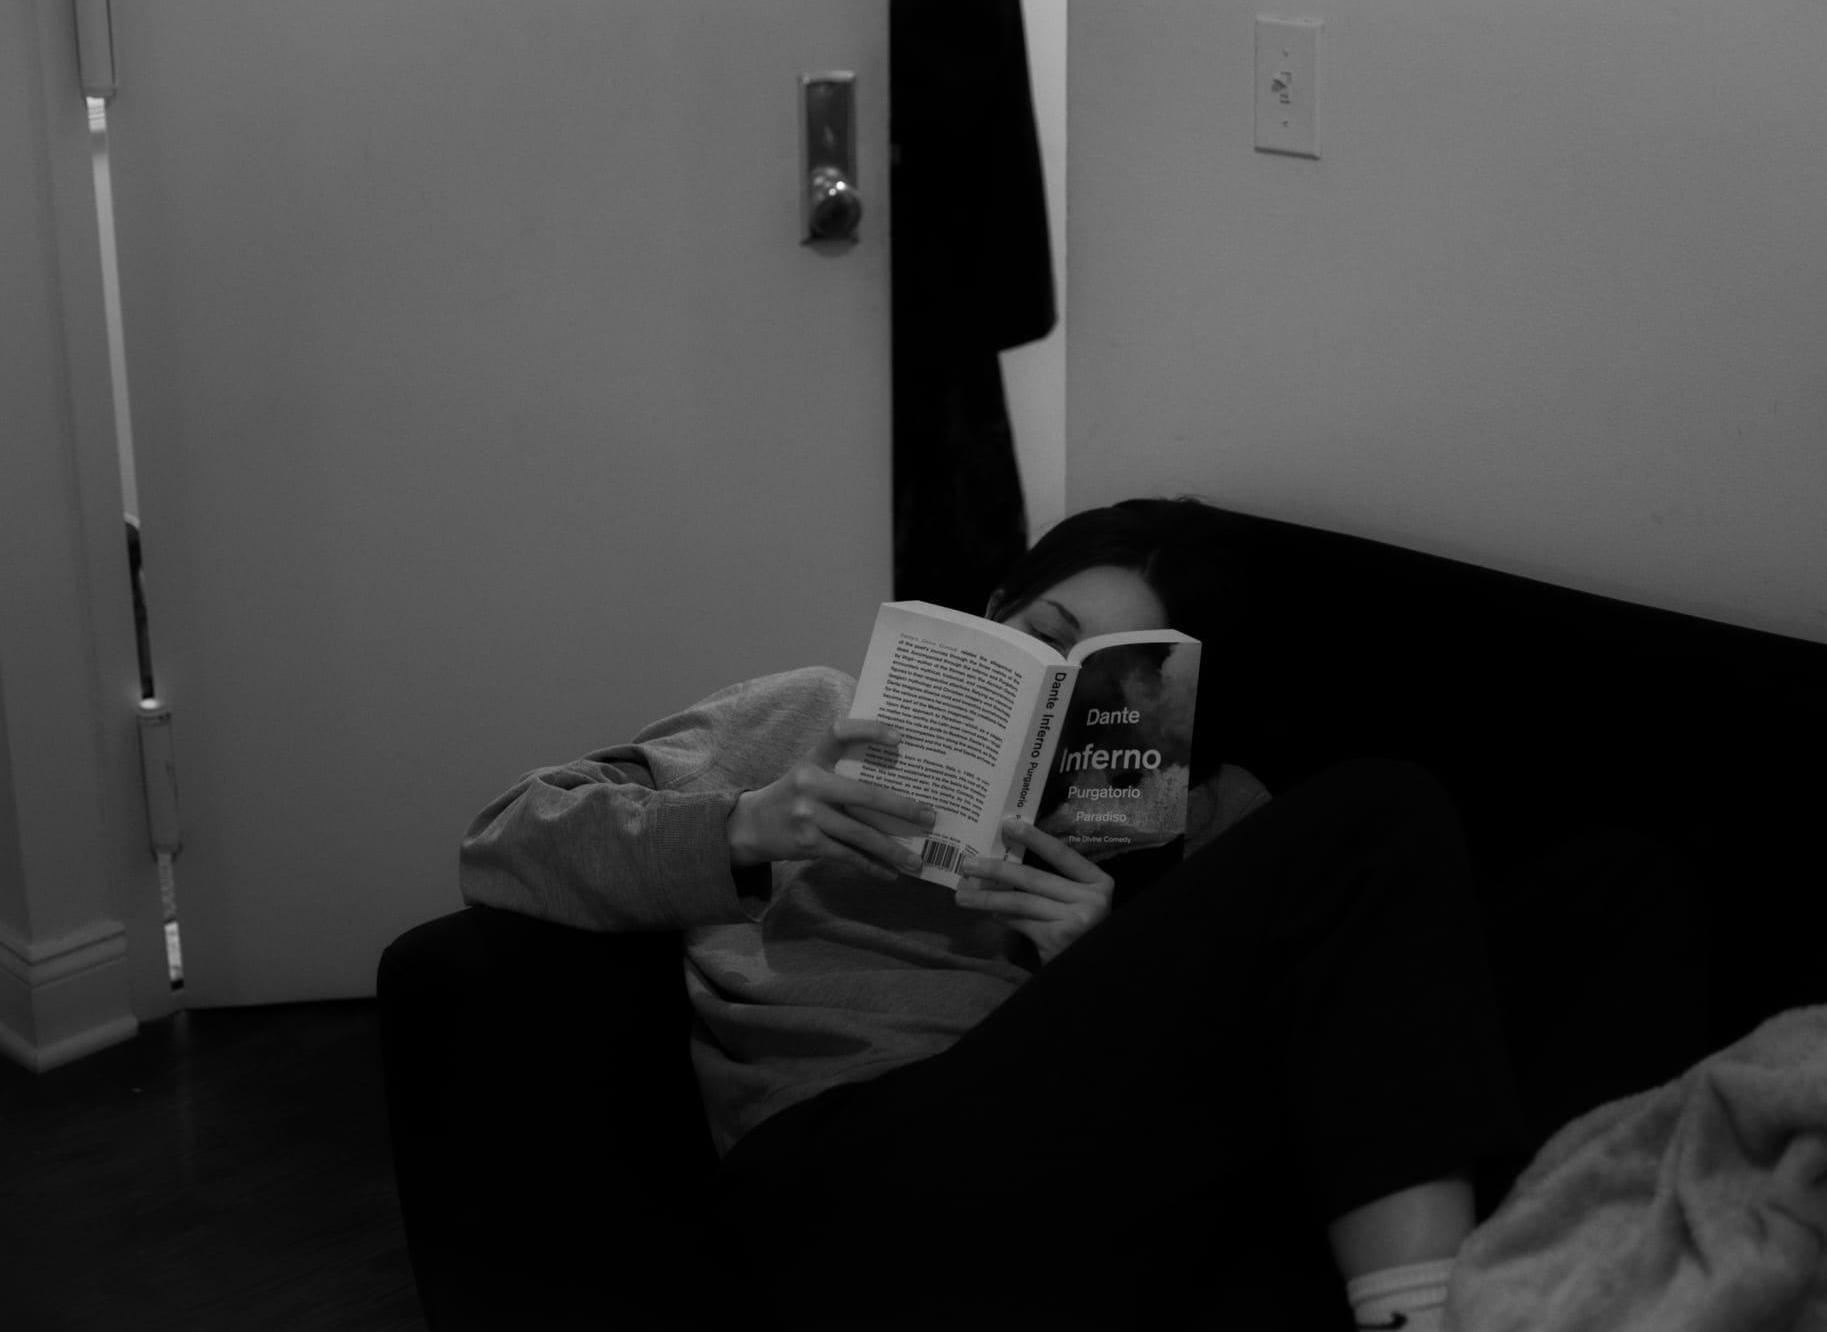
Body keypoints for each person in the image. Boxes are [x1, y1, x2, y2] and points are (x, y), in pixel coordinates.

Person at [460, 497, 1526, 1330]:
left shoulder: (1211, 818)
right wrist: (745, 824)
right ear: (993, 613)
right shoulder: (815, 718)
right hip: (844, 1171)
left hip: (1071, 1176)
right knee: (1381, 806)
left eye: (1115, 676)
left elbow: (1325, 1053)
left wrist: (1100, 961)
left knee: (1440, 832)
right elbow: (502, 843)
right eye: (1043, 636)